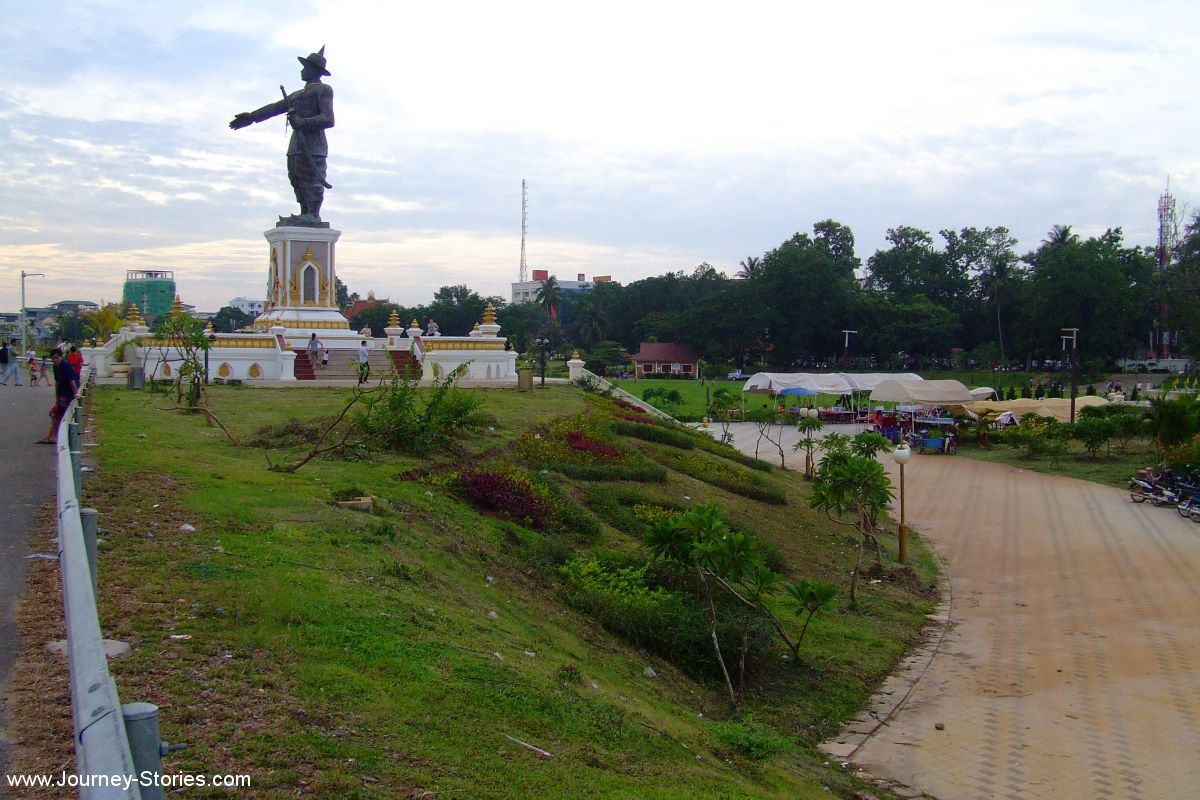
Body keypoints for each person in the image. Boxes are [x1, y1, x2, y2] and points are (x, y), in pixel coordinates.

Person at [229, 47, 335, 226]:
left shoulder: (323, 90)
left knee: (311, 177)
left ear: (315, 70)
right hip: (296, 144)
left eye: (306, 67)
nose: (302, 70)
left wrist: (303, 122)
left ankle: (313, 215)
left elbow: (328, 119)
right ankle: (304, 213)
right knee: (296, 176)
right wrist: (252, 117)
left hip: (313, 144)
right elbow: (274, 108)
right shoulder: (297, 95)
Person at [37, 349, 79, 444]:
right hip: (61, 395)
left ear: (61, 357)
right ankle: (52, 436)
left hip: (68, 395)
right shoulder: (56, 367)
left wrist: (76, 395)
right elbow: (57, 383)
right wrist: (57, 398)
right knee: (55, 414)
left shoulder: (66, 366)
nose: (54, 360)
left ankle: (53, 436)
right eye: (53, 358)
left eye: (56, 357)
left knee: (56, 414)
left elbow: (72, 382)